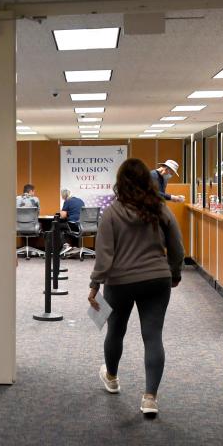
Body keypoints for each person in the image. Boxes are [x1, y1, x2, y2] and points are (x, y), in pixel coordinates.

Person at [87, 159, 184, 418]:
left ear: (121, 182)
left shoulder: (112, 212)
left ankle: (112, 377)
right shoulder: (161, 209)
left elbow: (104, 255)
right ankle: (150, 398)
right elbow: (177, 247)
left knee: (115, 332)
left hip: (120, 282)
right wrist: (174, 273)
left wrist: (95, 284)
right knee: (153, 336)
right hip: (157, 280)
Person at [58, 188, 85, 254]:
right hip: (82, 225)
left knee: (58, 226)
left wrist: (60, 211)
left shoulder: (67, 201)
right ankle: (75, 247)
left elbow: (63, 216)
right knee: (69, 227)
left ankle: (65, 245)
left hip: (73, 224)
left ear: (64, 196)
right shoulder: (80, 200)